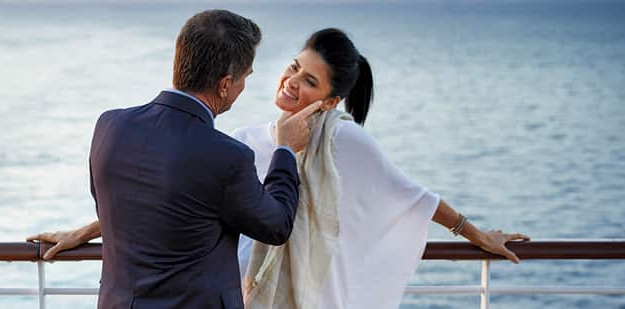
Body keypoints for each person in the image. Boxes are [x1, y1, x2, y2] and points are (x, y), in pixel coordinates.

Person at [29, 28, 530, 309]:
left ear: (332, 101)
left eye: (309, 81)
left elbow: (411, 195)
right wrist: (88, 229)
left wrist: (475, 234)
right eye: (293, 67)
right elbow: (176, 186)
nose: (291, 82)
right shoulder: (247, 141)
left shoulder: (346, 142)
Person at [36, 10, 321, 309]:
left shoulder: (110, 126)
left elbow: (136, 207)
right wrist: (285, 150)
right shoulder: (228, 156)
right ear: (225, 84)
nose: (242, 88)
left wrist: (84, 231)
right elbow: (276, 225)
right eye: (244, 78)